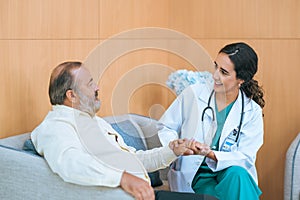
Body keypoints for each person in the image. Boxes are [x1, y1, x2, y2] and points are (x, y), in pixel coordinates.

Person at [31, 61, 211, 200]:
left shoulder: (95, 123)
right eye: (90, 84)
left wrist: (171, 151)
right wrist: (122, 178)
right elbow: (71, 163)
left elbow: (136, 159)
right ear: (72, 95)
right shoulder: (55, 126)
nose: (97, 88)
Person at [158, 42, 265, 200]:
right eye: (216, 67)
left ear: (241, 79)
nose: (215, 75)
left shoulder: (251, 111)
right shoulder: (193, 94)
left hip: (228, 172)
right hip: (195, 173)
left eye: (223, 72)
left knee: (237, 174)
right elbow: (165, 126)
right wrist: (175, 143)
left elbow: (245, 157)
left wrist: (211, 154)